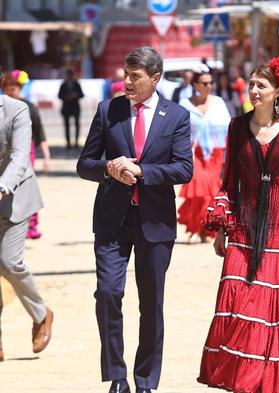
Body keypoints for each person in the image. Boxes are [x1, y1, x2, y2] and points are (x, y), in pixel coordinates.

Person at [197, 56, 279, 393]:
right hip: (243, 223)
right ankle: (241, 376)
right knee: (240, 298)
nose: (253, 91)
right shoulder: (236, 126)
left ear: (277, 91)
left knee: (270, 300)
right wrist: (221, 228)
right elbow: (228, 182)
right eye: (252, 84)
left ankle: (270, 379)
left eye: (261, 85)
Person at [76, 47, 193, 393]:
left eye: (135, 76)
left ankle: (145, 380)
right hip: (113, 220)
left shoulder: (176, 116)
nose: (126, 81)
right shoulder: (107, 110)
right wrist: (109, 169)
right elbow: (85, 164)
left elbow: (183, 168)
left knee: (151, 301)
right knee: (108, 294)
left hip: (155, 221)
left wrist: (141, 171)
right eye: (125, 74)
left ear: (154, 79)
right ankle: (117, 376)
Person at [0, 73, 53, 362]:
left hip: (15, 196)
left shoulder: (16, 109)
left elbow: (21, 156)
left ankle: (41, 315)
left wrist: (1, 186)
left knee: (8, 261)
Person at [177, 67, 230, 244]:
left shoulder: (218, 102)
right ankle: (194, 228)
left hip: (215, 152)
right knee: (196, 189)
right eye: (205, 83)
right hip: (194, 152)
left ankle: (207, 230)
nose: (209, 86)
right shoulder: (185, 104)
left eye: (211, 83)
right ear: (195, 85)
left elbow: (228, 126)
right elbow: (178, 129)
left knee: (211, 193)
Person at [2, 70, 51, 240]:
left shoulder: (29, 107)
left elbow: (40, 134)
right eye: (7, 89)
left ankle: (31, 226)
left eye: (13, 89)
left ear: (20, 88)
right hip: (5, 155)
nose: (10, 92)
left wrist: (46, 157)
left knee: (25, 188)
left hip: (24, 154)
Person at [58, 68, 84, 149]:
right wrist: (66, 97)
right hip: (66, 108)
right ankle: (68, 143)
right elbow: (59, 96)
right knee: (67, 126)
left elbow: (82, 94)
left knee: (77, 125)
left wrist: (75, 95)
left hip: (75, 108)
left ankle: (76, 142)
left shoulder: (76, 84)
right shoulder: (63, 85)